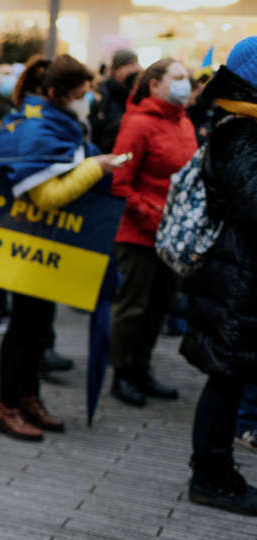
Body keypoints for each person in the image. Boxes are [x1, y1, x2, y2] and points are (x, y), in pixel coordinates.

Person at [0, 55, 123, 441]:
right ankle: (6, 407)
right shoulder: (39, 127)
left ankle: (28, 398)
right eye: (81, 94)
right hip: (26, 242)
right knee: (23, 329)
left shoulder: (55, 122)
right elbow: (45, 196)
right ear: (58, 94)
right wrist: (96, 167)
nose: (88, 100)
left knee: (39, 328)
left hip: (45, 244)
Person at [180, 37, 257, 514]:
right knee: (226, 378)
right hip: (238, 279)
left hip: (241, 276)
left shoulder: (242, 129)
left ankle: (214, 471)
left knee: (230, 377)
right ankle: (211, 477)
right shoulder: (239, 134)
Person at [109, 59, 197, 407]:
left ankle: (141, 369)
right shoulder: (138, 123)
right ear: (155, 84)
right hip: (139, 234)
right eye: (177, 77)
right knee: (133, 307)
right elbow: (119, 182)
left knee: (159, 307)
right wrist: (151, 214)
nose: (185, 83)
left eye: (186, 77)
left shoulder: (184, 122)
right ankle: (122, 373)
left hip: (171, 236)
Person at [89, 49, 141, 153]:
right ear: (116, 70)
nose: (136, 68)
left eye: (137, 64)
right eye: (130, 64)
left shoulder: (138, 94)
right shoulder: (102, 95)